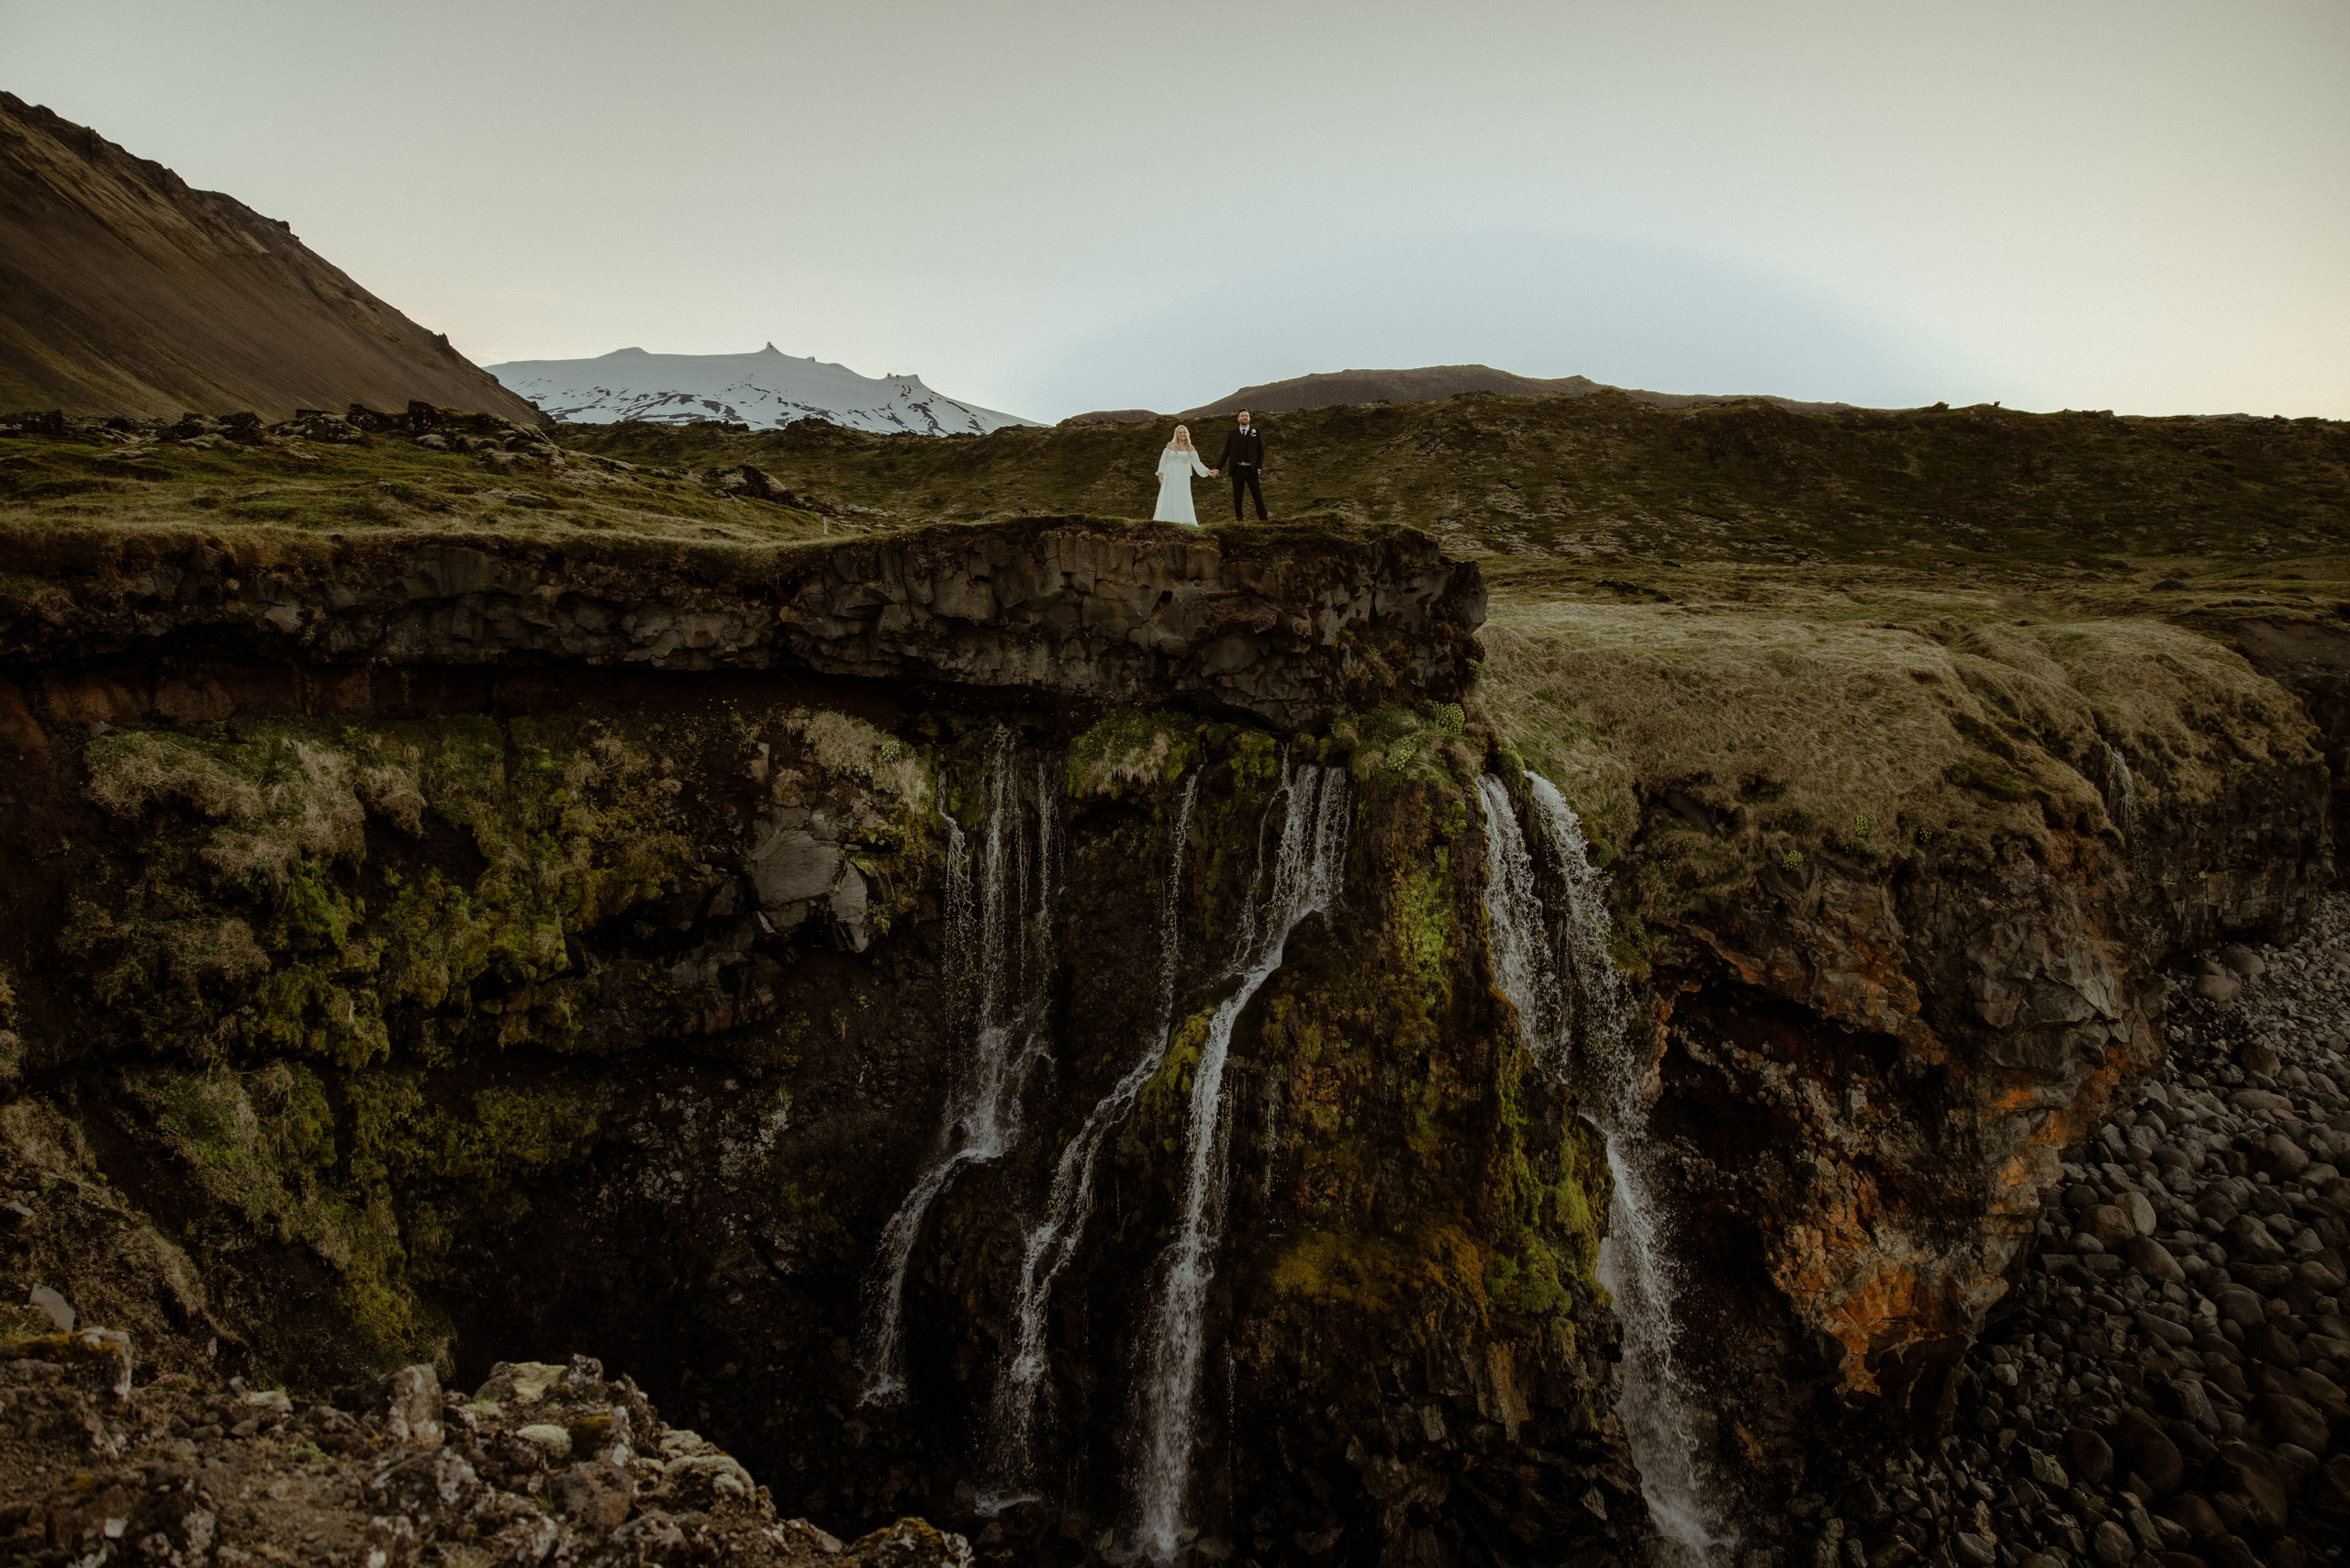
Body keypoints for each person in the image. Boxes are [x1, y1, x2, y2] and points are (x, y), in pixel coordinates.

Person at [1152, 424, 1216, 525]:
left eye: (1184, 432)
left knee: (1182, 495)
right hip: (1171, 473)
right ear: (1176, 434)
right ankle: (1168, 519)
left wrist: (1207, 471)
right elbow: (1164, 460)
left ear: (1187, 434)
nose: (1183, 434)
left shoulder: (1190, 448)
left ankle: (1183, 520)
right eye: (1180, 432)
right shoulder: (1170, 445)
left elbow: (1196, 462)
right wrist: (1161, 473)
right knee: (1170, 494)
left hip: (1183, 475)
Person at [1217, 409, 1267, 521]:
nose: (1244, 417)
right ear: (1238, 418)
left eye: (1246, 416)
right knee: (1237, 496)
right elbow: (1226, 452)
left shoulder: (1256, 432)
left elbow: (1261, 452)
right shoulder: (1232, 433)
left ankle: (1264, 520)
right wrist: (1218, 468)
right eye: (1242, 416)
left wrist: (1259, 467)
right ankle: (1239, 519)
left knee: (1257, 496)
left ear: (1249, 418)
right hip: (1237, 469)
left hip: (1251, 470)